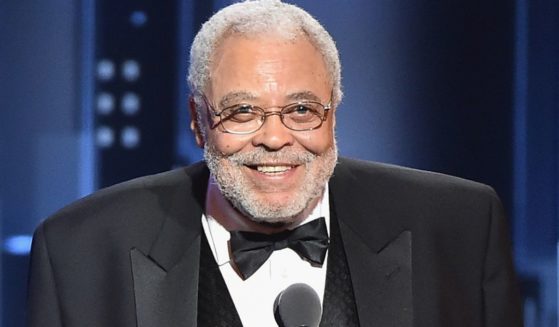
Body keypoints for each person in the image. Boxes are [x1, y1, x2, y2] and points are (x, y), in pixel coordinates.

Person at [26, 0, 523, 326]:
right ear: (198, 121)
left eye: (302, 110)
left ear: (334, 112)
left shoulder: (460, 227)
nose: (274, 137)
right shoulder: (80, 252)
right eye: (242, 111)